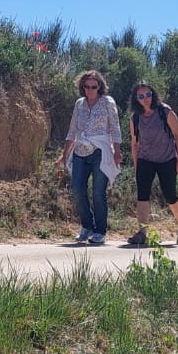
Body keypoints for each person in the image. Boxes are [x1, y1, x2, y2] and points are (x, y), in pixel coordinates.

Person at [57, 70, 122, 245]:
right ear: (82, 87)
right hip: (80, 150)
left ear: (100, 86)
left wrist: (117, 151)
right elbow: (72, 131)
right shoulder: (80, 104)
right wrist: (64, 156)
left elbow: (115, 128)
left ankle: (100, 230)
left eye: (94, 86)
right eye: (87, 86)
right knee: (78, 189)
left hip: (100, 150)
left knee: (98, 192)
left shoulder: (107, 102)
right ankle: (87, 226)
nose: (90, 90)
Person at [126, 81, 178, 247]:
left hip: (167, 158)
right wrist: (136, 164)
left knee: (170, 195)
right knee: (142, 194)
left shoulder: (165, 111)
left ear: (153, 94)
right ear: (136, 99)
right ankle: (142, 233)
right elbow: (135, 143)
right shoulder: (135, 118)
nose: (145, 98)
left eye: (148, 94)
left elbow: (177, 135)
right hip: (145, 159)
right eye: (141, 96)